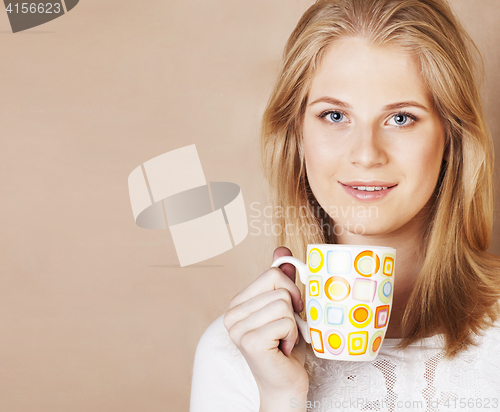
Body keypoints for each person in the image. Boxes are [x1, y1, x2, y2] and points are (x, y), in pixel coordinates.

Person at [190, 0, 500, 411]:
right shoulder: (234, 355)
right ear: (297, 136)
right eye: (335, 116)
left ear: (451, 139)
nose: (366, 155)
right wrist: (279, 398)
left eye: (401, 118)